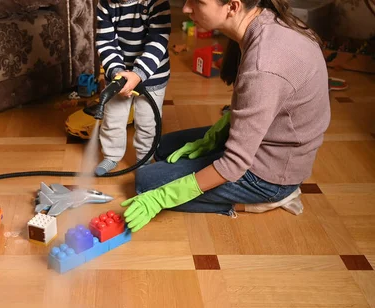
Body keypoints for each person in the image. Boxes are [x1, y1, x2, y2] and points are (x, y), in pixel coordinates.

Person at [120, 0, 331, 232]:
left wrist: (160, 197)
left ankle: (266, 200)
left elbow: (233, 165)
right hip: (266, 140)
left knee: (146, 183)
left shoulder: (265, 65)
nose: (187, 9)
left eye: (197, 2)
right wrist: (213, 137)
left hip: (270, 174)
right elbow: (261, 107)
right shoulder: (262, 23)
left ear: (232, 6)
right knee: (160, 148)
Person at [94, 0, 172, 176]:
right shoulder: (105, 5)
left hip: (152, 74)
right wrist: (117, 72)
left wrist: (138, 74)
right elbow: (106, 42)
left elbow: (158, 42)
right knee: (112, 118)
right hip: (119, 76)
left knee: (147, 122)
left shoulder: (156, 3)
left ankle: (144, 158)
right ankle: (111, 156)